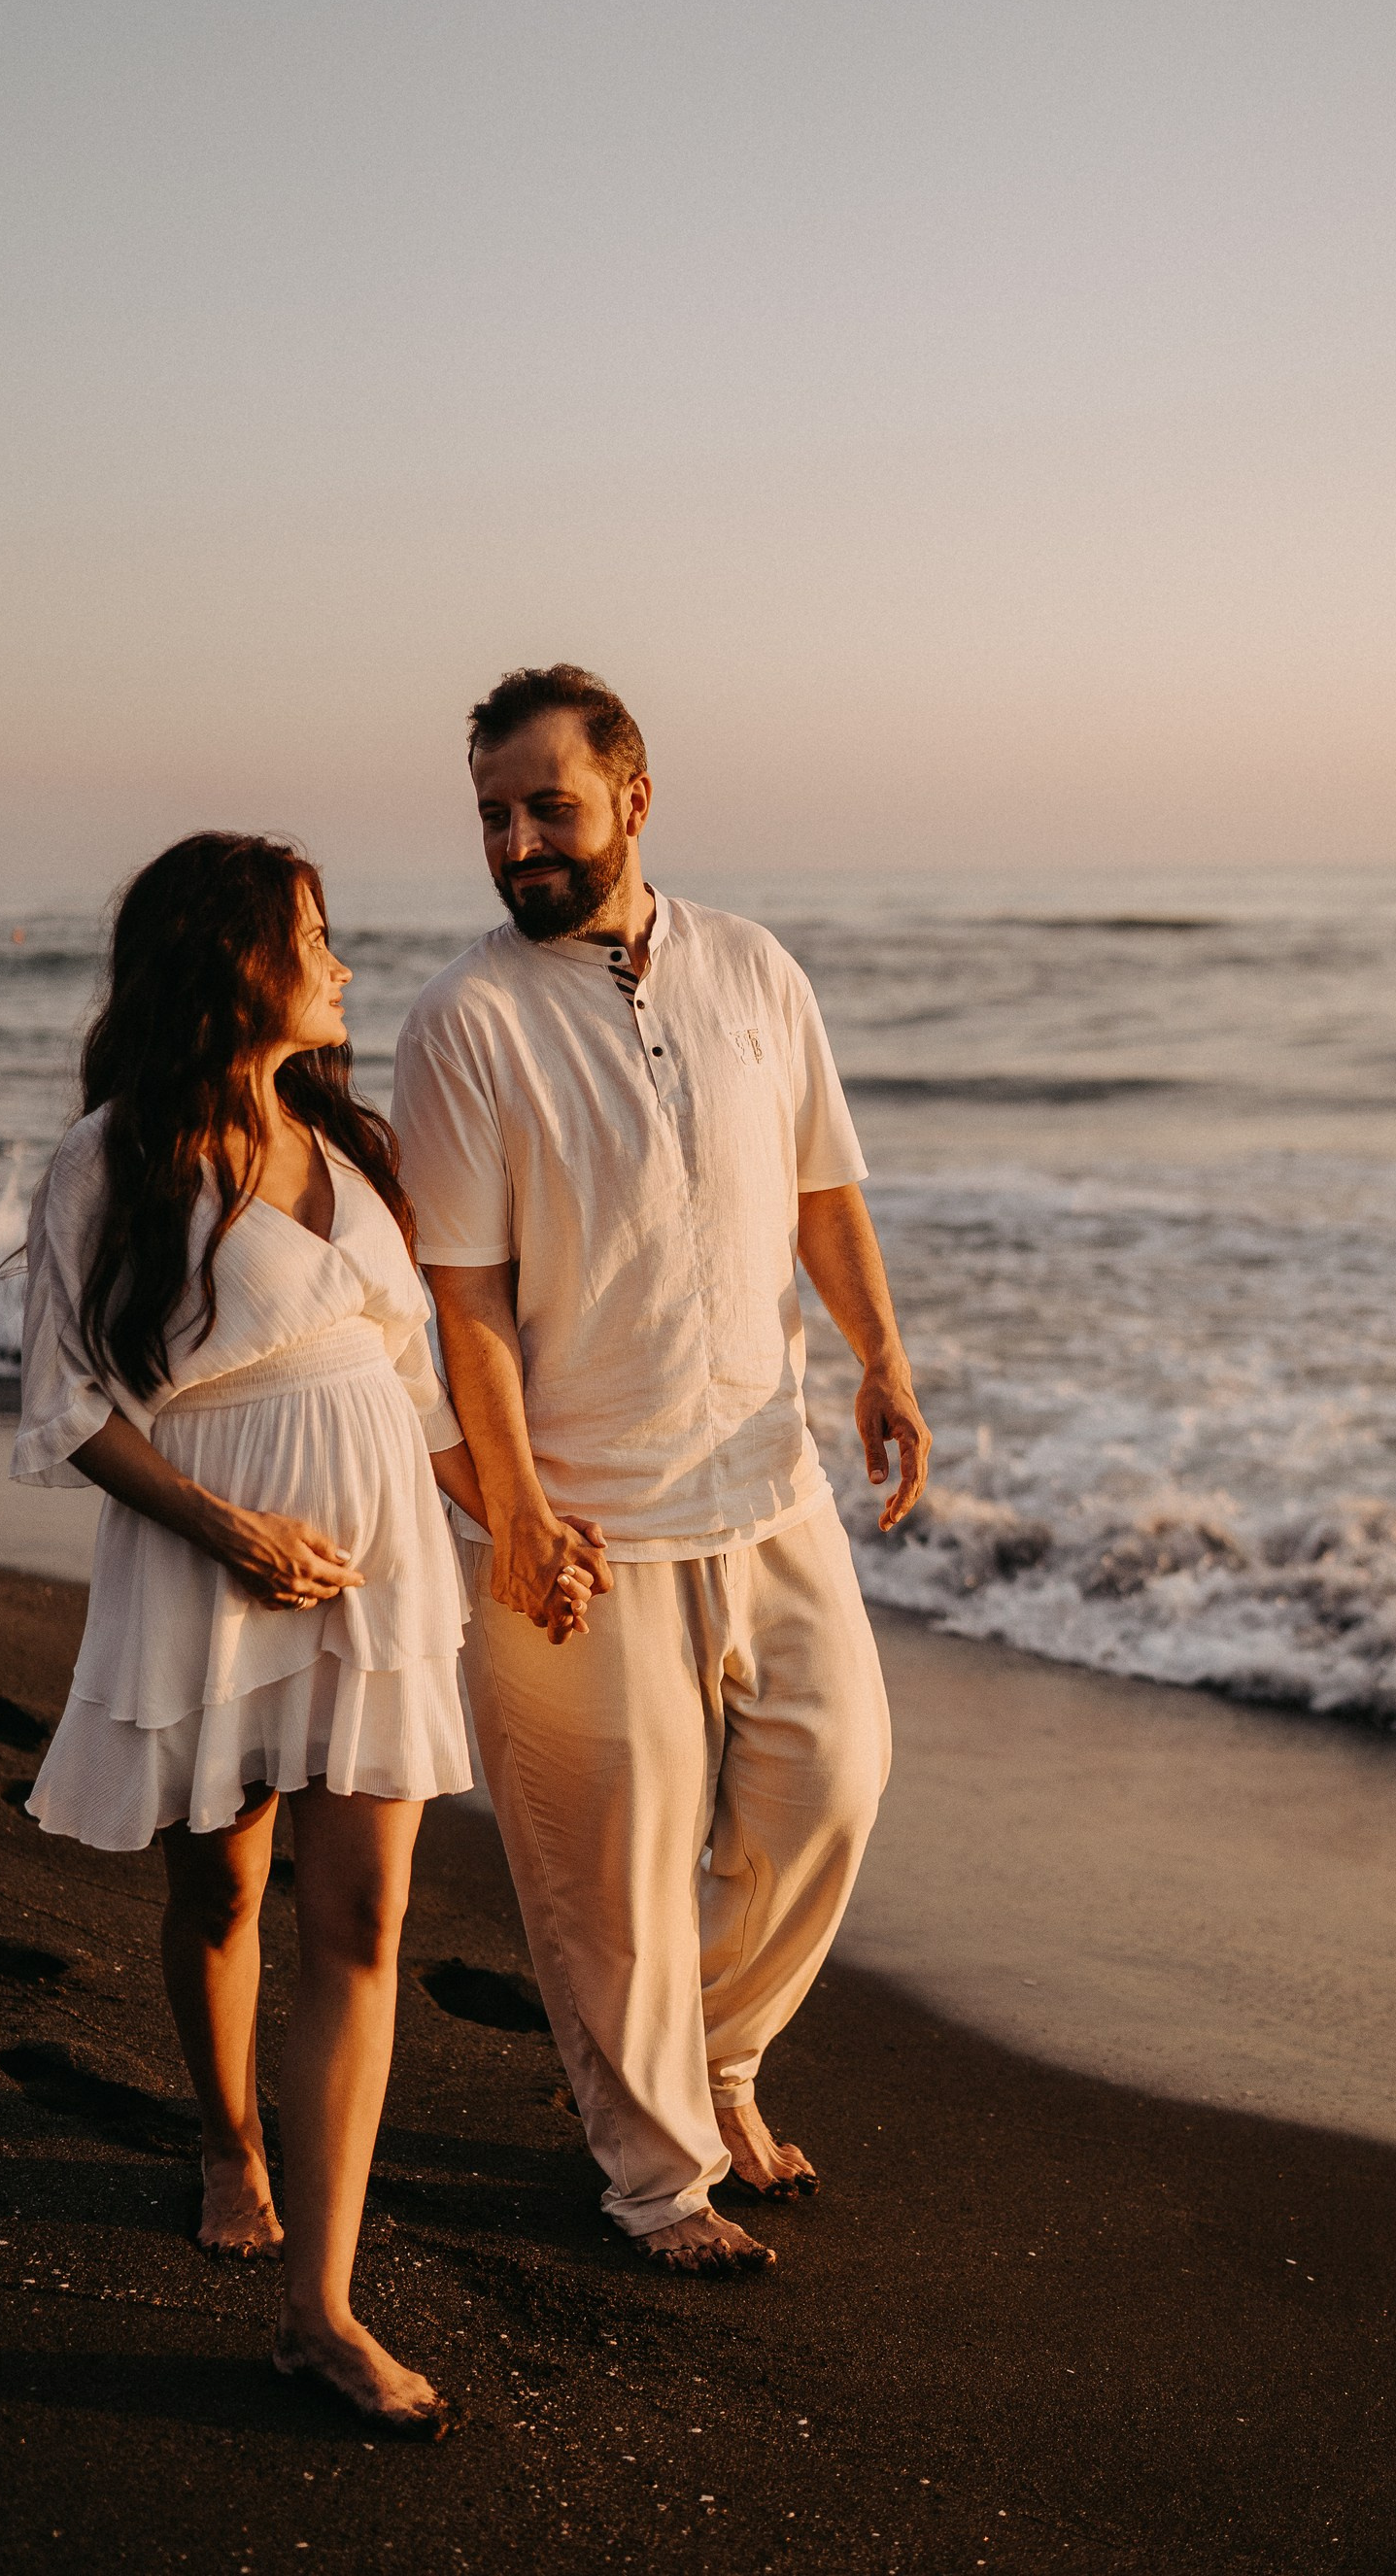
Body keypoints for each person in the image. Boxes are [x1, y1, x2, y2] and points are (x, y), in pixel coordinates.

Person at [12, 832, 581, 2431]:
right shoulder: (111, 1162)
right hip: (213, 1559)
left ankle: (320, 2308)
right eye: (313, 936)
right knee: (221, 1885)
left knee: (368, 1923)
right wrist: (231, 1529)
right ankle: (226, 2135)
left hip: (380, 1559)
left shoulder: (353, 1143)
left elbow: (407, 1383)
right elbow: (69, 1410)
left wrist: (512, 1526)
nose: (341, 962)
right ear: (232, 961)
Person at [392, 664, 931, 2275]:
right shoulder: (466, 1025)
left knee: (835, 1778)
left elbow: (823, 1191)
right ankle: (651, 2178)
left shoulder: (756, 972)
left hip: (764, 1473)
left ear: (634, 798)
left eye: (547, 805)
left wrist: (883, 1360)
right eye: (493, 814)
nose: (517, 841)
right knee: (607, 1867)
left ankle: (716, 2056)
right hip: (581, 1510)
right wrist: (517, 1509)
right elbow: (465, 1306)